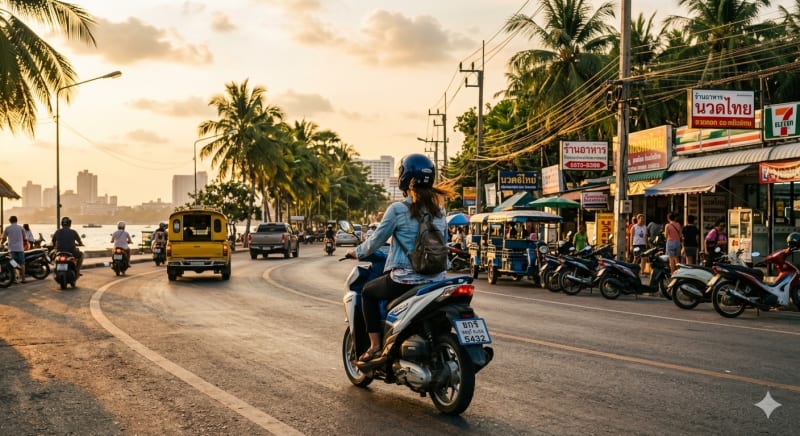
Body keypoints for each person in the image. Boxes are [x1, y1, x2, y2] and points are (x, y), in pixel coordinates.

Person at [345, 153, 454, 366]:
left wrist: (356, 252)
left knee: (367, 292)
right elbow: (444, 244)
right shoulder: (440, 212)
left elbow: (375, 241)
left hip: (405, 279)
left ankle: (375, 346)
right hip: (437, 280)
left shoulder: (397, 209)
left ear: (404, 178)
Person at [1, 216, 26, 283]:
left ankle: (15, 279)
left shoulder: (7, 228)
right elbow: (25, 238)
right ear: (16, 220)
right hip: (20, 248)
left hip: (12, 249)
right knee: (22, 263)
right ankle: (23, 279)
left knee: (13, 264)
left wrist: (1, 243)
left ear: (10, 221)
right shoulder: (21, 228)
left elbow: (3, 238)